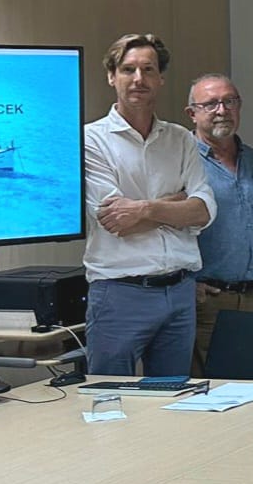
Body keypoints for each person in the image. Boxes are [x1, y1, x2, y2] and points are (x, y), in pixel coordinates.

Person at [81, 33, 214, 377]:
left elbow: (203, 210)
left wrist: (142, 209)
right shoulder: (89, 140)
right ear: (111, 76)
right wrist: (176, 205)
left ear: (160, 78)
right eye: (128, 69)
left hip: (180, 292)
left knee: (172, 397)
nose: (138, 79)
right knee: (109, 396)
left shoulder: (180, 138)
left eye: (148, 69)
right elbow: (114, 220)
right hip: (120, 293)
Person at [186, 74, 253, 375]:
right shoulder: (181, 160)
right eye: (210, 104)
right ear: (192, 113)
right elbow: (164, 227)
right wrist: (187, 283)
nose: (222, 110)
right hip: (208, 301)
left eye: (229, 101)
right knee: (209, 390)